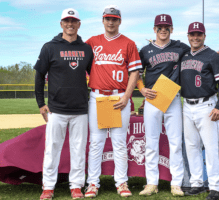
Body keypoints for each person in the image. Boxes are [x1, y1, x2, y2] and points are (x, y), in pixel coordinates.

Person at [34, 8, 93, 200]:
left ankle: (76, 186)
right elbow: (39, 75)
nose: (70, 24)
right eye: (66, 21)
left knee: (78, 149)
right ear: (61, 24)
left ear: (79, 24)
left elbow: (95, 76)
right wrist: (40, 103)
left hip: (80, 109)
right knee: (52, 148)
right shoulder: (50, 47)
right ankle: (48, 187)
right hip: (56, 109)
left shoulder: (86, 49)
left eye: (73, 21)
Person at [84, 5, 141, 198]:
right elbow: (78, 64)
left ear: (120, 21)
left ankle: (122, 182)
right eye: (107, 18)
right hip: (98, 96)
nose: (111, 22)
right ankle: (92, 183)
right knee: (96, 142)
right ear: (102, 20)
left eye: (114, 19)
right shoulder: (92, 42)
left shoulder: (129, 43)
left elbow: (135, 72)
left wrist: (126, 97)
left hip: (119, 97)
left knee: (119, 142)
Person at [137, 14, 190, 197]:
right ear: (154, 29)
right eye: (159, 28)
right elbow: (136, 73)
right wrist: (142, 89)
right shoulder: (145, 50)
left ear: (171, 29)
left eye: (166, 27)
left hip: (173, 98)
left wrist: (217, 55)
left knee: (175, 142)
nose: (163, 30)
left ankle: (177, 183)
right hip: (152, 98)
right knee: (151, 142)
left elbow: (200, 50)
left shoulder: (181, 47)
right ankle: (152, 183)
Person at [180, 22, 219, 200]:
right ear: (188, 36)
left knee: (211, 148)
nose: (195, 37)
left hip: (207, 105)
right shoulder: (183, 55)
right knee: (191, 147)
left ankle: (215, 187)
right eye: (192, 34)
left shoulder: (212, 56)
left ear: (204, 36)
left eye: (199, 34)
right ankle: (197, 184)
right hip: (187, 105)